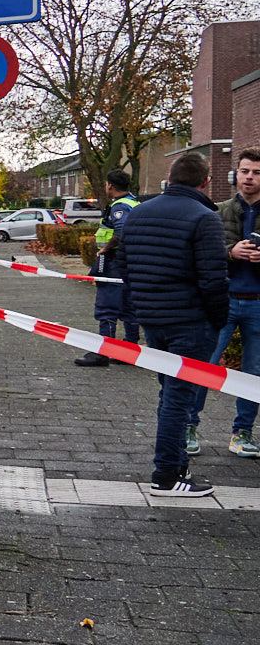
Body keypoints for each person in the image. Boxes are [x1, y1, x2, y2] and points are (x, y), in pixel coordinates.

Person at [115, 152, 227, 497]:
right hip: (191, 322)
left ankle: (177, 466)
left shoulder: (138, 214)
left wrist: (142, 306)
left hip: (153, 319)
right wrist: (218, 322)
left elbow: (123, 265)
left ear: (170, 178)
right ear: (205, 182)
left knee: (170, 392)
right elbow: (214, 280)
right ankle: (166, 474)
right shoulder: (205, 218)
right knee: (179, 397)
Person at [188, 148, 260, 458]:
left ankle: (242, 433)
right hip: (225, 300)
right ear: (235, 175)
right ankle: (189, 427)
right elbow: (204, 253)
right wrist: (231, 252)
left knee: (254, 372)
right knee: (204, 365)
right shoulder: (217, 211)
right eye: (244, 171)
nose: (249, 177)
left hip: (258, 302)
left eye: (256, 172)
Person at [75, 169, 140, 368]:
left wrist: (104, 249)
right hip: (129, 262)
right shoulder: (134, 202)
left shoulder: (120, 206)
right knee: (129, 306)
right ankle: (130, 351)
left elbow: (120, 231)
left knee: (107, 306)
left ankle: (105, 352)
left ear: (110, 185)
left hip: (114, 262)